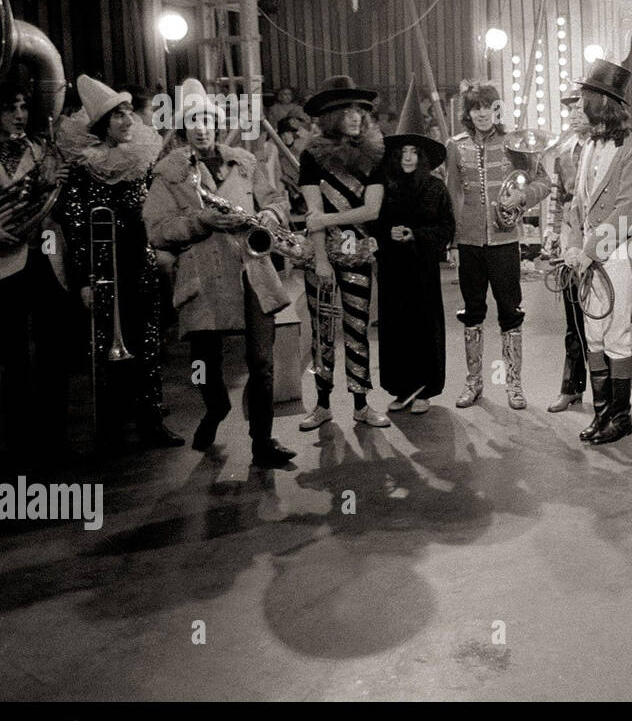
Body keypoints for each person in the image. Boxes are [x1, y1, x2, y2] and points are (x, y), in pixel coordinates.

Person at [143, 79, 296, 467]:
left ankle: (263, 441)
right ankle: (215, 408)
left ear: (216, 123)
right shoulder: (169, 175)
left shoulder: (244, 163)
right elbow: (157, 229)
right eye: (192, 121)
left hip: (252, 273)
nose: (200, 127)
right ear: (183, 129)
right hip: (204, 277)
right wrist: (200, 220)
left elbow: (278, 198)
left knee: (262, 363)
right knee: (202, 364)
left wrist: (269, 214)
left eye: (206, 119)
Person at [56, 76, 183, 452]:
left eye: (129, 113)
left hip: (138, 262)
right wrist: (82, 281)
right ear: (102, 125)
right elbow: (76, 228)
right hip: (101, 271)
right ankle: (110, 428)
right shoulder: (82, 169)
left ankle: (150, 421)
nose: (128, 121)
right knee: (104, 347)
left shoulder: (140, 163)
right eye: (119, 116)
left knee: (146, 342)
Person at [444, 81, 549, 409]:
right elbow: (452, 194)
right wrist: (452, 240)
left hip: (505, 241)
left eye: (488, 107)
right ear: (468, 112)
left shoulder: (513, 143)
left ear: (497, 109)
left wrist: (523, 196)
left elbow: (543, 182)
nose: (483, 114)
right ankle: (474, 382)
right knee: (472, 313)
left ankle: (513, 385)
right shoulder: (455, 145)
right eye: (476, 108)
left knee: (510, 313)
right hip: (469, 242)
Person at [560, 59, 632, 445]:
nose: (580, 104)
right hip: (588, 256)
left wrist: (590, 250)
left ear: (603, 102)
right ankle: (601, 415)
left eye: (586, 97)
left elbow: (626, 209)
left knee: (615, 337)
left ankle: (621, 417)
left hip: (617, 255)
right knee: (592, 336)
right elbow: (577, 204)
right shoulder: (588, 147)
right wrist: (572, 247)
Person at [297, 75, 389, 430]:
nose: (356, 116)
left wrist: (327, 218)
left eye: (360, 109)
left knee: (356, 327)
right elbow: (311, 214)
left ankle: (361, 404)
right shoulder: (312, 156)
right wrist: (320, 258)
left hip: (359, 252)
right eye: (347, 109)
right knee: (323, 330)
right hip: (320, 253)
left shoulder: (375, 154)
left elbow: (372, 211)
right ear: (332, 115)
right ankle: (321, 405)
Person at [0, 81, 72, 464]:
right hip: (4, 263)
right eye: (10, 108)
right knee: (13, 357)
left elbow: (55, 207)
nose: (19, 115)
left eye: (23, 107)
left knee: (53, 351)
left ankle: (53, 439)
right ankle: (19, 445)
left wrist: (54, 185)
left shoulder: (40, 150)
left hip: (44, 255)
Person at [377, 102, 454, 414]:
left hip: (421, 270)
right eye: (403, 151)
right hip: (393, 268)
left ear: (422, 156)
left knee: (423, 327)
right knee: (396, 328)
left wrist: (416, 235)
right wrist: (387, 235)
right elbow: (375, 223)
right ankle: (401, 389)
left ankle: (424, 390)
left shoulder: (435, 188)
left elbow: (446, 226)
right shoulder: (385, 187)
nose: (408, 157)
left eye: (414, 152)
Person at [544, 113, 592, 413]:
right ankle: (571, 389)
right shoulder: (563, 154)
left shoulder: (612, 147)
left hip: (606, 240)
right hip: (571, 242)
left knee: (606, 321)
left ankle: (614, 393)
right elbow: (557, 198)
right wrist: (551, 231)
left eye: (582, 108)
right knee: (573, 319)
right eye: (571, 109)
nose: (576, 115)